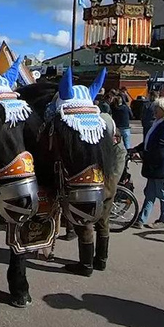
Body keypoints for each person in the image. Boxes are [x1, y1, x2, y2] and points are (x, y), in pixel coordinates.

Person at [66, 112, 127, 276]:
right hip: (100, 191)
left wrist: (92, 190)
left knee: (91, 225)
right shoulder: (105, 147)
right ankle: (96, 261)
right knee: (99, 225)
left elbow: (113, 179)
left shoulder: (118, 151)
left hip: (102, 193)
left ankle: (90, 264)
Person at [131, 97, 164, 229]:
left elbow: (161, 147)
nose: (154, 111)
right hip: (155, 166)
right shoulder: (159, 122)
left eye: (157, 109)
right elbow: (149, 141)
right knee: (150, 193)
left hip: (162, 166)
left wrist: (142, 155)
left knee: (163, 194)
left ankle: (163, 219)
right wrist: (137, 149)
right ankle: (141, 219)